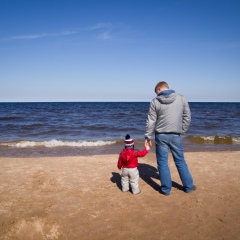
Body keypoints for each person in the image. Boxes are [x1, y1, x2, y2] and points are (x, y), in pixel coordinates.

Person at [144, 81, 196, 195]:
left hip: (161, 135)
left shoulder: (155, 101)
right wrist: (182, 130)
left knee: (162, 162)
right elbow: (187, 116)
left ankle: (166, 189)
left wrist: (148, 136)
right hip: (175, 135)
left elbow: (151, 121)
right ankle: (188, 186)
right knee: (180, 160)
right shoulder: (181, 98)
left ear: (159, 89)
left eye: (156, 92)